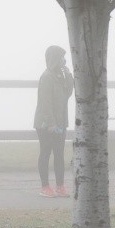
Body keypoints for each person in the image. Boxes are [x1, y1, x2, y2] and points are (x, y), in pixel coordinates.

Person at [34, 45, 74, 198]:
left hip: (60, 122)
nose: (63, 61)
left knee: (59, 154)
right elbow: (46, 103)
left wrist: (69, 75)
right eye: (60, 57)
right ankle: (45, 187)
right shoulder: (46, 77)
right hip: (45, 124)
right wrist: (51, 124)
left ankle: (60, 186)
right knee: (46, 152)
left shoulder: (61, 76)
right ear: (54, 59)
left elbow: (68, 93)